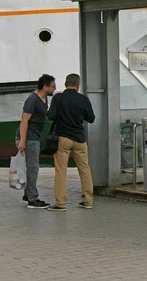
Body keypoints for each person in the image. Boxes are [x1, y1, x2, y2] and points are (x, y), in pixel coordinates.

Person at [47, 73, 96, 211]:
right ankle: (88, 201)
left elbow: (50, 115)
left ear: (65, 84)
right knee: (85, 170)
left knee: (61, 172)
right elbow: (91, 118)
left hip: (63, 139)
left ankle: (60, 204)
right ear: (77, 85)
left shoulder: (58, 97)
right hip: (80, 140)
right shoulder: (83, 99)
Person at [16, 74, 56, 209]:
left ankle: (28, 194)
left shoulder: (43, 99)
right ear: (45, 87)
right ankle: (33, 199)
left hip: (33, 137)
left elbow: (43, 115)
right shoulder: (32, 100)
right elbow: (24, 120)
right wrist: (22, 140)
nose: (54, 89)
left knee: (31, 168)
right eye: (52, 86)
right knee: (33, 168)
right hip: (29, 138)